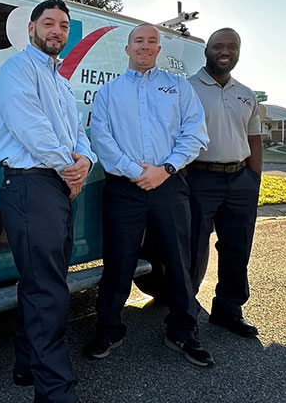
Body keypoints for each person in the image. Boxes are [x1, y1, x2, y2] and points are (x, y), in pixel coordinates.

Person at [87, 23, 214, 367]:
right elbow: (101, 137)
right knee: (118, 262)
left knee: (178, 261)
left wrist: (165, 169)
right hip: (124, 189)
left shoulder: (178, 88)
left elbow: (195, 134)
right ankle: (108, 330)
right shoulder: (109, 93)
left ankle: (184, 332)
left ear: (159, 50)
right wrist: (135, 172)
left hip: (169, 185)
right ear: (127, 49)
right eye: (138, 41)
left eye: (151, 42)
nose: (145, 46)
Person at [0, 0, 96, 403]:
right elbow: (32, 131)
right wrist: (68, 169)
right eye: (49, 23)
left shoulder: (60, 81)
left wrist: (85, 160)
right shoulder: (16, 71)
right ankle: (56, 392)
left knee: (41, 283)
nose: (57, 31)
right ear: (31, 28)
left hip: (54, 187)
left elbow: (78, 134)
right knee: (48, 290)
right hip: (30, 186)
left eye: (64, 26)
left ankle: (26, 365)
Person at [187, 28, 262, 337]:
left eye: (232, 47)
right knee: (191, 247)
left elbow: (254, 139)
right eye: (219, 46)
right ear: (207, 50)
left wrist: (254, 178)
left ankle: (228, 309)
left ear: (239, 52)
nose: (225, 51)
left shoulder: (246, 93)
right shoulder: (187, 88)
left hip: (240, 179)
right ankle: (184, 312)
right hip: (199, 177)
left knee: (237, 246)